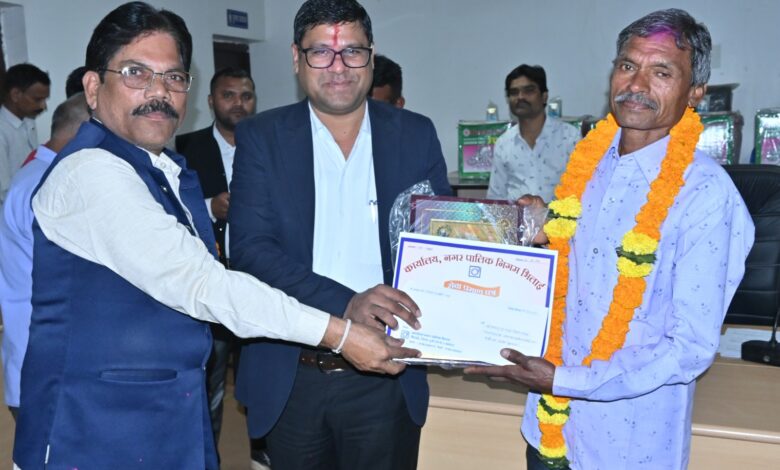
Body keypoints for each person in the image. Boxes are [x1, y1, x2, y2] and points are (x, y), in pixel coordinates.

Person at [12, 2, 418, 469]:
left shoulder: (159, 170)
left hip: (164, 417)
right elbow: (204, 285)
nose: (158, 93)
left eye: (173, 77)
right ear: (92, 87)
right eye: (135, 73)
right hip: (91, 430)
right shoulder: (92, 173)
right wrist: (342, 334)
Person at [466, 9, 754, 470]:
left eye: (661, 72)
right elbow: (578, 258)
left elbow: (689, 348)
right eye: (627, 65)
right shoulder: (591, 162)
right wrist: (537, 226)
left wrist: (566, 380)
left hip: (627, 445)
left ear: (695, 92)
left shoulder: (706, 194)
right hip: (547, 427)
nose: (636, 84)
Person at [229, 0, 451, 468]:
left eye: (352, 51)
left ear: (371, 55)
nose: (338, 67)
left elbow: (441, 242)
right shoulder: (262, 137)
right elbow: (249, 251)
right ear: (297, 58)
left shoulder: (414, 134)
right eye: (321, 52)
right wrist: (347, 304)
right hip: (294, 374)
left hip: (387, 376)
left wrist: (511, 230)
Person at [175, 66, 262, 462]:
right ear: (211, 101)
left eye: (246, 95)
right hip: (209, 286)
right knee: (209, 384)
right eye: (229, 95)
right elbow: (169, 210)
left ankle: (264, 457)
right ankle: (207, 459)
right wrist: (211, 206)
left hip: (262, 285)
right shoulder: (184, 147)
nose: (238, 103)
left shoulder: (269, 143)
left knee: (261, 383)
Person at [0, 93, 89, 422]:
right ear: (84, 133)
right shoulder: (47, 185)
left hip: (44, 361)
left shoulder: (38, 173)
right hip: (50, 369)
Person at [486, 64, 579, 202]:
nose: (520, 97)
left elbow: (582, 192)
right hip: (516, 216)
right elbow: (496, 198)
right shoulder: (503, 144)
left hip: (559, 215)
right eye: (514, 92)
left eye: (528, 91)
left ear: (544, 96)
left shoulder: (569, 137)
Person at [0, 63, 50, 204]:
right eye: (37, 99)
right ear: (15, 95)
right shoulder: (2, 131)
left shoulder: (28, 122)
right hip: (13, 209)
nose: (43, 106)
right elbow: (4, 191)